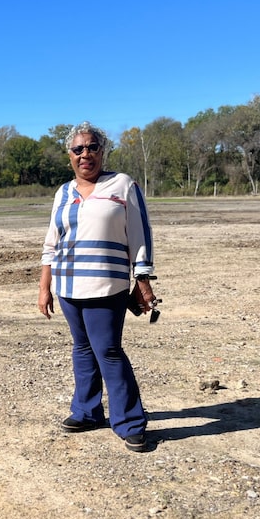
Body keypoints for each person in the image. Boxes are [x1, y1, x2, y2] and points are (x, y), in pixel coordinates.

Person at [37, 121, 157, 453]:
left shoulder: (122, 185)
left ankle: (129, 422)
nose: (85, 154)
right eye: (78, 149)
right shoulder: (62, 192)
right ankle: (87, 412)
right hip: (67, 285)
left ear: (103, 151)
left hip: (107, 284)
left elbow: (139, 234)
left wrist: (143, 279)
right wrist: (45, 287)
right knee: (82, 349)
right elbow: (52, 243)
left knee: (108, 350)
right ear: (69, 155)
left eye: (92, 147)